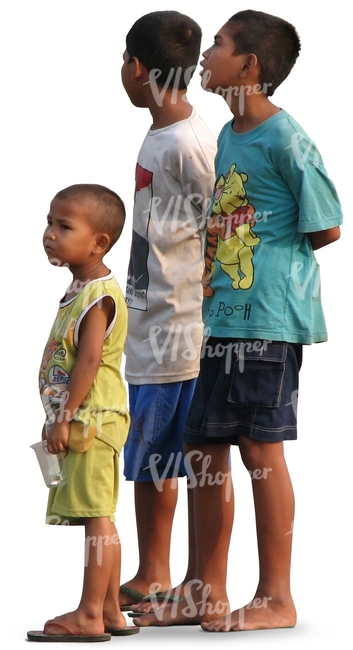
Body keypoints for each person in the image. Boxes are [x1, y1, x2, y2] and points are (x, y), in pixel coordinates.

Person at [131, 10, 343, 631]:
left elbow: (326, 224)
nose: (206, 54)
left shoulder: (286, 138)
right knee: (202, 445)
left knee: (260, 449)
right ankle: (204, 589)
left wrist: (264, 256)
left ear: (249, 67)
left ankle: (277, 596)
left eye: (219, 45)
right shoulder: (226, 136)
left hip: (268, 321)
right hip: (219, 319)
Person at [119, 10, 216, 611]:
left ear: (136, 67)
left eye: (122, 61)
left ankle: (166, 575)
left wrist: (203, 305)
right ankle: (152, 572)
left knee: (163, 458)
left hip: (178, 332)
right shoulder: (163, 133)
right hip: (150, 325)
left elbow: (227, 227)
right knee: (153, 456)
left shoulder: (189, 143)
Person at [27, 184, 139, 641]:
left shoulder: (98, 295)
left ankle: (90, 614)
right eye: (49, 223)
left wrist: (65, 415)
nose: (50, 234)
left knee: (97, 516)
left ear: (99, 243)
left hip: (92, 421)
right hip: (86, 420)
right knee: (100, 513)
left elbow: (89, 362)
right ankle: (110, 610)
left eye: (64, 226)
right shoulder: (82, 288)